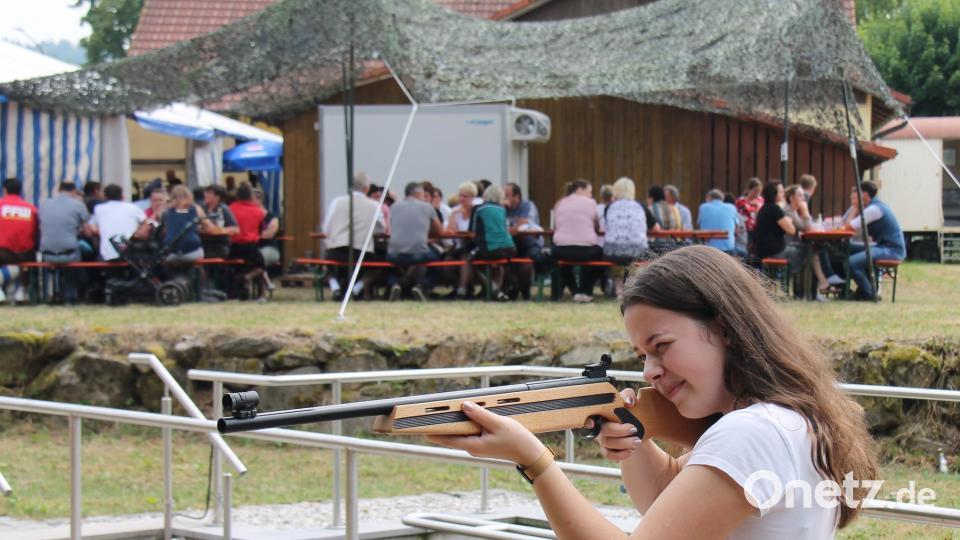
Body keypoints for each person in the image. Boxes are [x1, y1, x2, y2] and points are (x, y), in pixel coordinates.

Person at [429, 245, 878, 539]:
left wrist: (535, 462)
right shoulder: (781, 419)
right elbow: (667, 497)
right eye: (642, 355)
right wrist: (633, 439)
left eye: (661, 347)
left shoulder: (750, 433)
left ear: (723, 326)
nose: (649, 372)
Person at [323, 173, 385, 300]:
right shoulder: (374, 205)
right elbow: (380, 228)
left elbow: (326, 227)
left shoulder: (337, 202)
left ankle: (335, 286)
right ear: (366, 188)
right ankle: (357, 288)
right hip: (361, 251)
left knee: (327, 261)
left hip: (337, 249)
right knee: (379, 265)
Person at [843, 181, 906, 301]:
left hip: (891, 250)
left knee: (851, 263)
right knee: (845, 248)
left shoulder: (874, 209)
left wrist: (855, 208)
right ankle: (844, 287)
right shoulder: (874, 206)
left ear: (865, 195)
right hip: (882, 246)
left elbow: (848, 227)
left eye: (857, 194)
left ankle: (869, 293)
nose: (854, 197)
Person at [386, 182, 442, 301]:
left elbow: (388, 228)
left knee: (387, 263)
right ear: (417, 193)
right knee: (438, 261)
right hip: (418, 253)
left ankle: (394, 284)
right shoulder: (427, 207)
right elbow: (440, 229)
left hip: (394, 253)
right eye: (423, 194)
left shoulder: (394, 207)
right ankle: (423, 286)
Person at [38, 182, 92, 303]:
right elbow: (88, 232)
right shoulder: (78, 204)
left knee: (64, 260)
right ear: (74, 191)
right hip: (69, 254)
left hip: (47, 254)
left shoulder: (45, 204)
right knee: (79, 256)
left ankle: (51, 294)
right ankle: (71, 296)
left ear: (59, 190)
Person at [552, 179, 602, 303]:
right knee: (604, 258)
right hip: (587, 250)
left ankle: (575, 291)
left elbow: (556, 226)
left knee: (562, 265)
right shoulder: (591, 203)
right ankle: (584, 289)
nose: (591, 195)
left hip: (562, 249)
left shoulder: (560, 203)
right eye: (589, 191)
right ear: (580, 189)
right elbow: (597, 226)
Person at [602, 177, 650, 297]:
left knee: (617, 260)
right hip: (637, 250)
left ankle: (619, 290)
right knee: (637, 260)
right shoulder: (641, 206)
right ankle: (632, 289)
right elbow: (655, 227)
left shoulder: (609, 207)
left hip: (612, 250)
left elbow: (608, 226)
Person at [469, 185, 516, 301]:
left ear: (486, 195)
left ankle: (495, 290)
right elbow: (506, 228)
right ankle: (496, 291)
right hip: (510, 247)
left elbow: (472, 232)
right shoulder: (502, 209)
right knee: (497, 264)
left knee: (472, 261)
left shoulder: (478, 209)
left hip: (491, 248)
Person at [754, 181, 805, 277]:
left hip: (763, 251)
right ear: (774, 194)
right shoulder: (774, 209)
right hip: (775, 252)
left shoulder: (764, 208)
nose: (783, 194)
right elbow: (791, 230)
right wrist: (789, 221)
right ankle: (793, 277)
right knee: (807, 249)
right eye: (781, 192)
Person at [0, 178, 39, 302]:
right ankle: (22, 291)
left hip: (3, 253)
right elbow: (36, 233)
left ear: (5, 190)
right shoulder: (32, 209)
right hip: (26, 254)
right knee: (28, 261)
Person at [228, 183, 268, 301]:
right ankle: (251, 282)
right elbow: (260, 230)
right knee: (261, 267)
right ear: (250, 196)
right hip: (250, 247)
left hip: (234, 247)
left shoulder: (230, 209)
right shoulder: (258, 211)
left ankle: (238, 285)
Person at [504, 182, 542, 299]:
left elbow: (522, 227)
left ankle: (524, 290)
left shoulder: (527, 205)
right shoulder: (501, 208)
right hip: (510, 243)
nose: (504, 199)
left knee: (526, 264)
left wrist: (505, 231)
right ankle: (513, 288)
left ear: (517, 197)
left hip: (529, 242)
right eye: (503, 196)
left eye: (507, 195)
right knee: (500, 261)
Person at [89, 184, 147, 261]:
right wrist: (138, 233)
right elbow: (147, 223)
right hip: (130, 252)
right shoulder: (133, 208)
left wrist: (103, 231)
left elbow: (92, 228)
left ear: (105, 196)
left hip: (107, 255)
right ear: (122, 196)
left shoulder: (98, 209)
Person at [162, 185, 212, 263]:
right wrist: (199, 229)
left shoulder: (166, 212)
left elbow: (167, 230)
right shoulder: (196, 209)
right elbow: (210, 227)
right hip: (192, 250)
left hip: (171, 252)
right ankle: (202, 273)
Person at [697, 189, 740, 256]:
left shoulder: (703, 207)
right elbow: (737, 231)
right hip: (728, 249)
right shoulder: (732, 207)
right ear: (722, 198)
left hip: (709, 250)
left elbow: (699, 228)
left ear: (709, 198)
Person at [201, 185, 240, 259]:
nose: (205, 194)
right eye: (205, 192)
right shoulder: (202, 209)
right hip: (203, 244)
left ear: (217, 197)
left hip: (219, 245)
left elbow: (236, 229)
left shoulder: (224, 209)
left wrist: (219, 230)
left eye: (209, 193)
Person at [736, 177, 764, 255]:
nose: (757, 194)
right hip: (746, 229)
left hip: (758, 229)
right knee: (748, 248)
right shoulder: (741, 202)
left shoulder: (761, 200)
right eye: (755, 191)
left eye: (759, 192)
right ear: (749, 189)